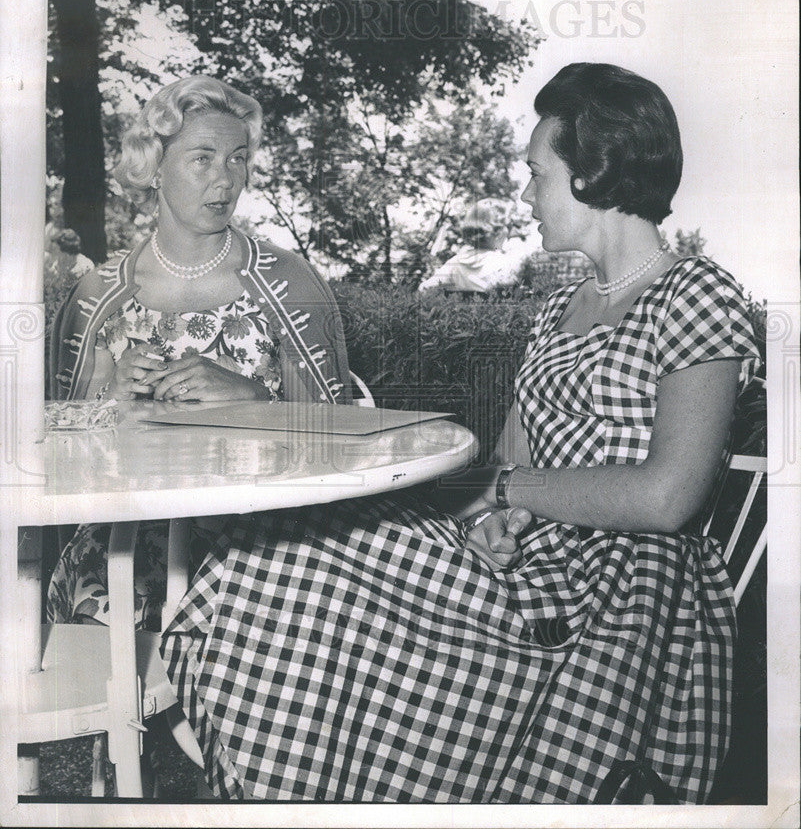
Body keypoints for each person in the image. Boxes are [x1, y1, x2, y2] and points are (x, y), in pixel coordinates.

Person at [160, 63, 760, 804]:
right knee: (279, 539)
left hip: (625, 596)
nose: (523, 194)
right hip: (533, 569)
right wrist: (495, 521)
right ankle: (288, 771)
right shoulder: (557, 309)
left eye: (535, 172)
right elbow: (515, 459)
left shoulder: (695, 292)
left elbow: (668, 496)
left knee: (287, 557)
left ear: (592, 170)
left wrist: (499, 491)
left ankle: (278, 769)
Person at [47, 75, 352, 630]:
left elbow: (342, 439)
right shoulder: (97, 294)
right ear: (155, 166)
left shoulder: (290, 281)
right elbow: (53, 453)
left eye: (238, 159)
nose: (226, 179)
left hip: (261, 538)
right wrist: (112, 403)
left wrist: (255, 399)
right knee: (98, 610)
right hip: (127, 539)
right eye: (203, 159)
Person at [418, 197, 519, 294]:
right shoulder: (504, 262)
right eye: (508, 226)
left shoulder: (455, 262)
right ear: (498, 232)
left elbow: (425, 288)